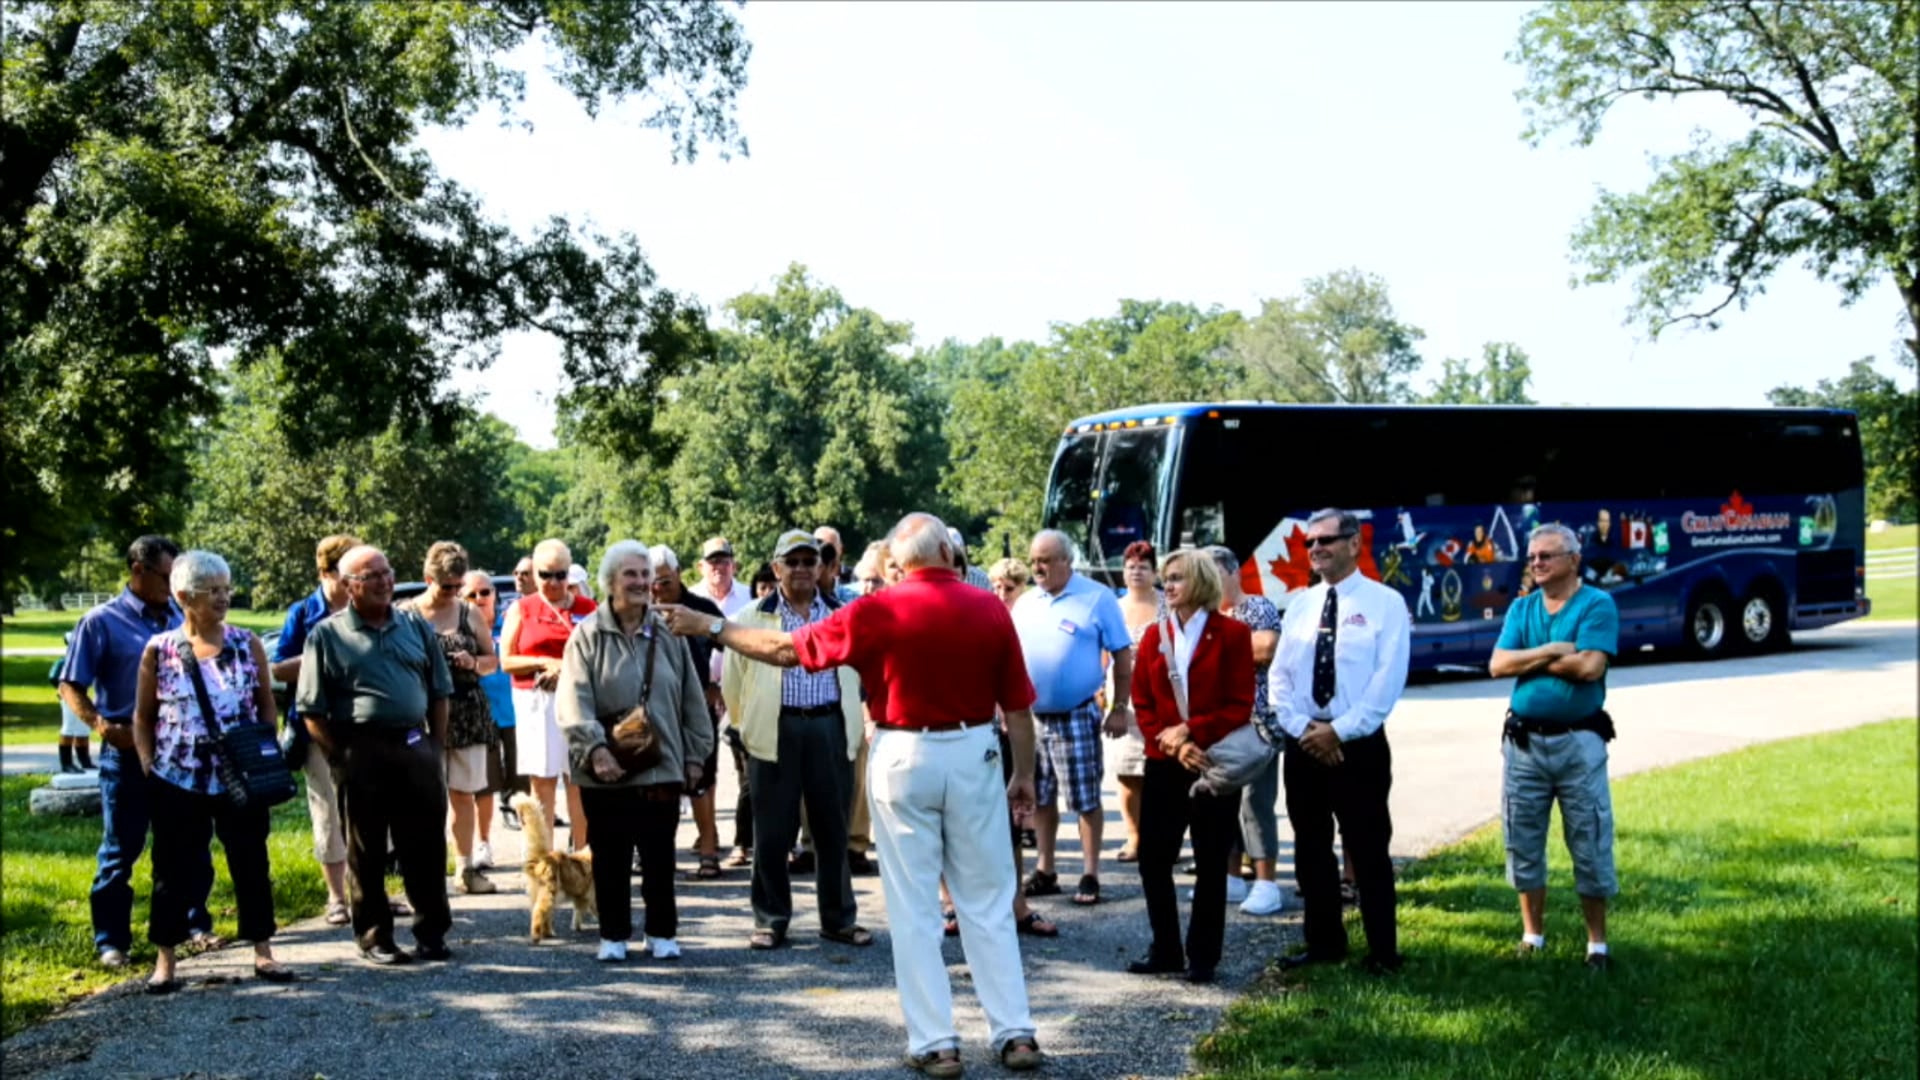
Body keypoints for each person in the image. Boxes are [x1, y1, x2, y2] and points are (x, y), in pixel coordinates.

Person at [658, 512, 1044, 1075]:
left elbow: (786, 650)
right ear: (946, 554)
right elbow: (1017, 703)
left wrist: (709, 626)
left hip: (904, 752)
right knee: (986, 899)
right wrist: (1025, 773)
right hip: (973, 750)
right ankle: (1015, 1033)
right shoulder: (987, 606)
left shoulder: (877, 608)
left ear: (898, 561)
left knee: (913, 906)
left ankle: (936, 1042)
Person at [132, 550, 293, 992]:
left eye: (226, 588)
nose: (224, 598)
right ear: (184, 596)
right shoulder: (159, 650)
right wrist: (149, 764)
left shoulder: (246, 643)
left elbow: (265, 704)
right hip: (177, 777)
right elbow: (142, 715)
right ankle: (165, 960)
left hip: (238, 775)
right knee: (171, 869)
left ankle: (263, 951)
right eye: (213, 591)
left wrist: (263, 748)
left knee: (250, 862)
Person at [296, 545, 455, 965]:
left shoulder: (413, 626)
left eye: (387, 572)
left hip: (413, 743)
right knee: (366, 850)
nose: (386, 582)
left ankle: (432, 932)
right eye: (373, 576)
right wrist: (340, 757)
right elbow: (310, 708)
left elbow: (439, 690)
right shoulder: (327, 635)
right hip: (360, 748)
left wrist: (434, 747)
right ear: (350, 586)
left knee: (425, 845)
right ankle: (375, 936)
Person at [555, 542, 714, 963]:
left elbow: (691, 699)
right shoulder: (586, 635)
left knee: (661, 854)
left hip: (660, 764)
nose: (642, 582)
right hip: (605, 770)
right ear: (611, 582)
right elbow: (573, 700)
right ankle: (613, 934)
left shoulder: (670, 632)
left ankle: (662, 932)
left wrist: (696, 754)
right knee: (610, 855)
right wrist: (595, 749)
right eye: (631, 574)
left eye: (645, 574)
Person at [59, 535, 213, 969]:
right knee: (120, 849)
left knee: (189, 842)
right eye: (168, 577)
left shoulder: (183, 619)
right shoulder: (102, 621)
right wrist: (101, 725)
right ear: (138, 570)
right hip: (126, 750)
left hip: (180, 750)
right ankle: (112, 941)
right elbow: (70, 682)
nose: (175, 585)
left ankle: (192, 924)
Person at [1269, 509, 1411, 975]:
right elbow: (1280, 677)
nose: (1316, 549)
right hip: (1305, 744)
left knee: (1368, 848)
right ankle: (1325, 942)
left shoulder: (1385, 603)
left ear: (1355, 543)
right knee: (1311, 849)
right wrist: (1304, 730)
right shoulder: (1302, 605)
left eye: (1327, 540)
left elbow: (1386, 682)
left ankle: (1383, 952)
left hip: (1359, 745)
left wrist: (1340, 731)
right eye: (1310, 543)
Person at [720, 530, 871, 948]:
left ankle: (839, 919)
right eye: (794, 561)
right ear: (776, 568)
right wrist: (747, 726)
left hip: (829, 725)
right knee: (771, 832)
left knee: (833, 830)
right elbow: (734, 682)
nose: (803, 568)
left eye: (810, 561)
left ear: (821, 567)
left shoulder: (844, 611)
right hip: (774, 728)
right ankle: (770, 920)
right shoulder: (751, 616)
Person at [1488, 523, 1621, 971]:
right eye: (1532, 557)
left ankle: (1597, 946)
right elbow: (1498, 664)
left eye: (1547, 556)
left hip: (1579, 743)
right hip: (1524, 744)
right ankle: (1532, 935)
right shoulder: (1522, 609)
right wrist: (1550, 649)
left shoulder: (1597, 604)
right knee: (1522, 839)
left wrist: (1530, 659)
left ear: (1573, 560)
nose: (1537, 563)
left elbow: (1589, 667)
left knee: (1590, 838)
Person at [1128, 548, 1254, 984]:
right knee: (1152, 858)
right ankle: (1166, 949)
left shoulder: (1234, 635)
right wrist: (1173, 742)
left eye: (1177, 577)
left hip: (1214, 761)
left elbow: (1240, 704)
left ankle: (1203, 957)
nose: (1169, 586)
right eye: (1166, 579)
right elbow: (1141, 702)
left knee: (1211, 859)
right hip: (1165, 762)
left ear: (1199, 581)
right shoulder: (1152, 636)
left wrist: (1192, 732)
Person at [1013, 529, 1133, 907]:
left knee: (1083, 798)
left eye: (1046, 560)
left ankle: (1090, 872)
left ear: (1067, 560)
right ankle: (1046, 869)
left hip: (1076, 714)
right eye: (1034, 560)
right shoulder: (1027, 602)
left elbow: (1122, 656)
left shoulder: (1097, 598)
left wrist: (1117, 708)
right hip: (1031, 718)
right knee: (1040, 797)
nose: (1038, 567)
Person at [270, 534, 364, 927]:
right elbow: (277, 668)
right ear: (325, 572)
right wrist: (323, 653)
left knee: (366, 810)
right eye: (346, 574)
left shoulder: (368, 607)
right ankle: (337, 897)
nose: (352, 582)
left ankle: (369, 890)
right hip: (317, 726)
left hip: (364, 722)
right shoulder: (304, 612)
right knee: (328, 807)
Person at [400, 542, 498, 895]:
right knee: (423, 796)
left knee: (464, 794)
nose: (455, 593)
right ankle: (424, 871)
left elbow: (492, 661)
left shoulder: (469, 614)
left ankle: (466, 868)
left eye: (459, 586)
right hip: (422, 714)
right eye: (447, 586)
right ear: (429, 578)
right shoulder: (407, 615)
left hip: (468, 711)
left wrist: (473, 663)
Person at [501, 538, 596, 849]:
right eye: (545, 574)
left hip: (579, 701)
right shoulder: (522, 609)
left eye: (561, 574)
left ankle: (583, 858)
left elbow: (600, 657)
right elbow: (507, 661)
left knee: (579, 781)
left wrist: (564, 670)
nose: (553, 582)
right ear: (533, 574)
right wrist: (545, 662)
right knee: (542, 783)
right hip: (536, 702)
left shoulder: (588, 609)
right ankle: (543, 862)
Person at [1208, 545, 1287, 917]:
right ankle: (1231, 878)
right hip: (1217, 725)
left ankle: (1266, 883)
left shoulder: (1257, 608)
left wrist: (1213, 653)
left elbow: (1266, 650)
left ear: (1232, 572)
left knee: (1256, 804)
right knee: (1223, 802)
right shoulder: (1205, 614)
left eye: (1212, 574)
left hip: (1256, 724)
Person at [648, 543, 727, 879]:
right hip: (653, 709)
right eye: (652, 583)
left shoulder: (701, 608)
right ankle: (652, 853)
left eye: (664, 581)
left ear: (679, 574)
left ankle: (708, 851)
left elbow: (731, 646)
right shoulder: (640, 610)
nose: (657, 589)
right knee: (653, 782)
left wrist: (717, 686)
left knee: (702, 782)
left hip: (695, 706)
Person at [1111, 541, 1162, 864]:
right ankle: (1135, 837)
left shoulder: (1168, 603)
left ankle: (1162, 837)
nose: (1136, 571)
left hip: (1162, 693)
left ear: (1154, 572)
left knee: (1161, 770)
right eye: (1130, 566)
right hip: (1122, 694)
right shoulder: (1114, 606)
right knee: (1127, 769)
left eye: (1143, 566)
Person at [462, 568, 519, 849]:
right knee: (483, 785)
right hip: (479, 716)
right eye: (471, 594)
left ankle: (529, 841)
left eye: (485, 592)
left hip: (516, 712)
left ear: (495, 595)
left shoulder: (510, 623)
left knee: (522, 778)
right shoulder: (461, 631)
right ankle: (483, 843)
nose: (479, 598)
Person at [51, 634, 96, 772]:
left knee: (83, 728)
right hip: (69, 696)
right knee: (69, 727)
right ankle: (66, 763)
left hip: (83, 697)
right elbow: (53, 677)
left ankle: (84, 760)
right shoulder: (64, 662)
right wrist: (63, 690)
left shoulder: (85, 662)